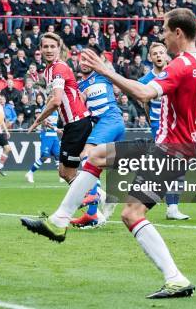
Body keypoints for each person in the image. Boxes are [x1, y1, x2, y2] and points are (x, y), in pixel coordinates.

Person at [21, 9, 196, 299]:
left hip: (170, 151)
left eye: (165, 31)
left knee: (132, 214)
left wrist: (107, 71)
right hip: (167, 145)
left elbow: (144, 94)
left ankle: (175, 278)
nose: (162, 36)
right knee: (97, 157)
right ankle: (59, 222)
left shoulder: (180, 66)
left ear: (179, 34)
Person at [70, 45, 125, 228]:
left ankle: (96, 194)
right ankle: (92, 214)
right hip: (106, 124)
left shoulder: (103, 74)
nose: (85, 63)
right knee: (96, 163)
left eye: (88, 59)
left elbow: (113, 74)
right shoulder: (80, 86)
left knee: (87, 154)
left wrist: (100, 63)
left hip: (110, 120)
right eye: (82, 59)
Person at [27, 32, 92, 184]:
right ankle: (96, 197)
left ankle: (94, 202)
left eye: (52, 47)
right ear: (40, 49)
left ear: (59, 49)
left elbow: (56, 101)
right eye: (45, 47)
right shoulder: (48, 71)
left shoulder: (59, 68)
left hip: (77, 122)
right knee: (64, 172)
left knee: (68, 173)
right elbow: (54, 97)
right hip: (71, 125)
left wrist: (38, 119)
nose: (49, 50)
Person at [138, 43, 190, 220]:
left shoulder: (176, 74)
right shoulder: (145, 81)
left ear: (167, 56)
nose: (159, 56)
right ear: (150, 58)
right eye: (155, 54)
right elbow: (144, 104)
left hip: (178, 127)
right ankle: (171, 207)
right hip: (161, 129)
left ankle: (169, 205)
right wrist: (155, 123)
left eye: (161, 52)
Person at [25, 110, 61, 183]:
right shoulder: (46, 109)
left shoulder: (56, 111)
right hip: (46, 135)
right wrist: (55, 129)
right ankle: (30, 173)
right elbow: (44, 122)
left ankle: (61, 175)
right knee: (44, 156)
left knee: (58, 156)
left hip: (54, 136)